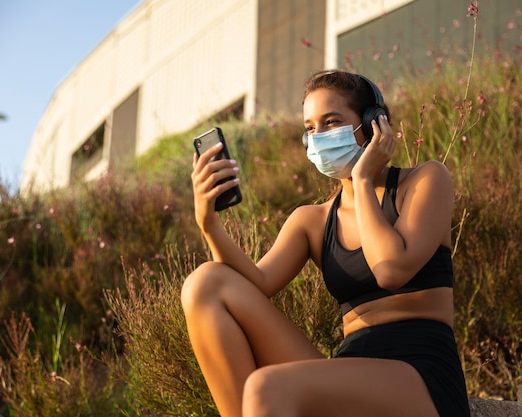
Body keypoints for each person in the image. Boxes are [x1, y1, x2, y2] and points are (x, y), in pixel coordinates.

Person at [182, 69, 470, 417]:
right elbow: (254, 285)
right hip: (347, 373)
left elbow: (391, 269)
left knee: (266, 385)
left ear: (373, 124)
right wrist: (208, 223)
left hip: (419, 374)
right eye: (310, 128)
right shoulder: (313, 220)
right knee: (205, 284)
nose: (319, 137)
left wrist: (361, 180)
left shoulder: (424, 180)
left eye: (331, 122)